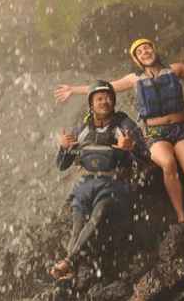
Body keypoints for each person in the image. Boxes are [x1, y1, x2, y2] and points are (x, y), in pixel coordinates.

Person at [55, 39, 184, 236]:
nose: (145, 52)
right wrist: (73, 90)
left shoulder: (175, 69)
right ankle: (181, 217)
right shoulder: (134, 79)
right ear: (136, 59)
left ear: (154, 50)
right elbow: (103, 87)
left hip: (180, 129)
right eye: (140, 51)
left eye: (147, 48)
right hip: (154, 132)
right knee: (168, 163)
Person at [49, 80, 145, 282]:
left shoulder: (123, 124)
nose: (105, 101)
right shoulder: (83, 128)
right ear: (91, 104)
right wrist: (64, 148)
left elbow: (144, 155)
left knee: (98, 214)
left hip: (114, 183)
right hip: (86, 183)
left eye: (109, 98)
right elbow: (62, 164)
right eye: (99, 98)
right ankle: (70, 266)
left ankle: (69, 261)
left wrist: (130, 147)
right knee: (78, 222)